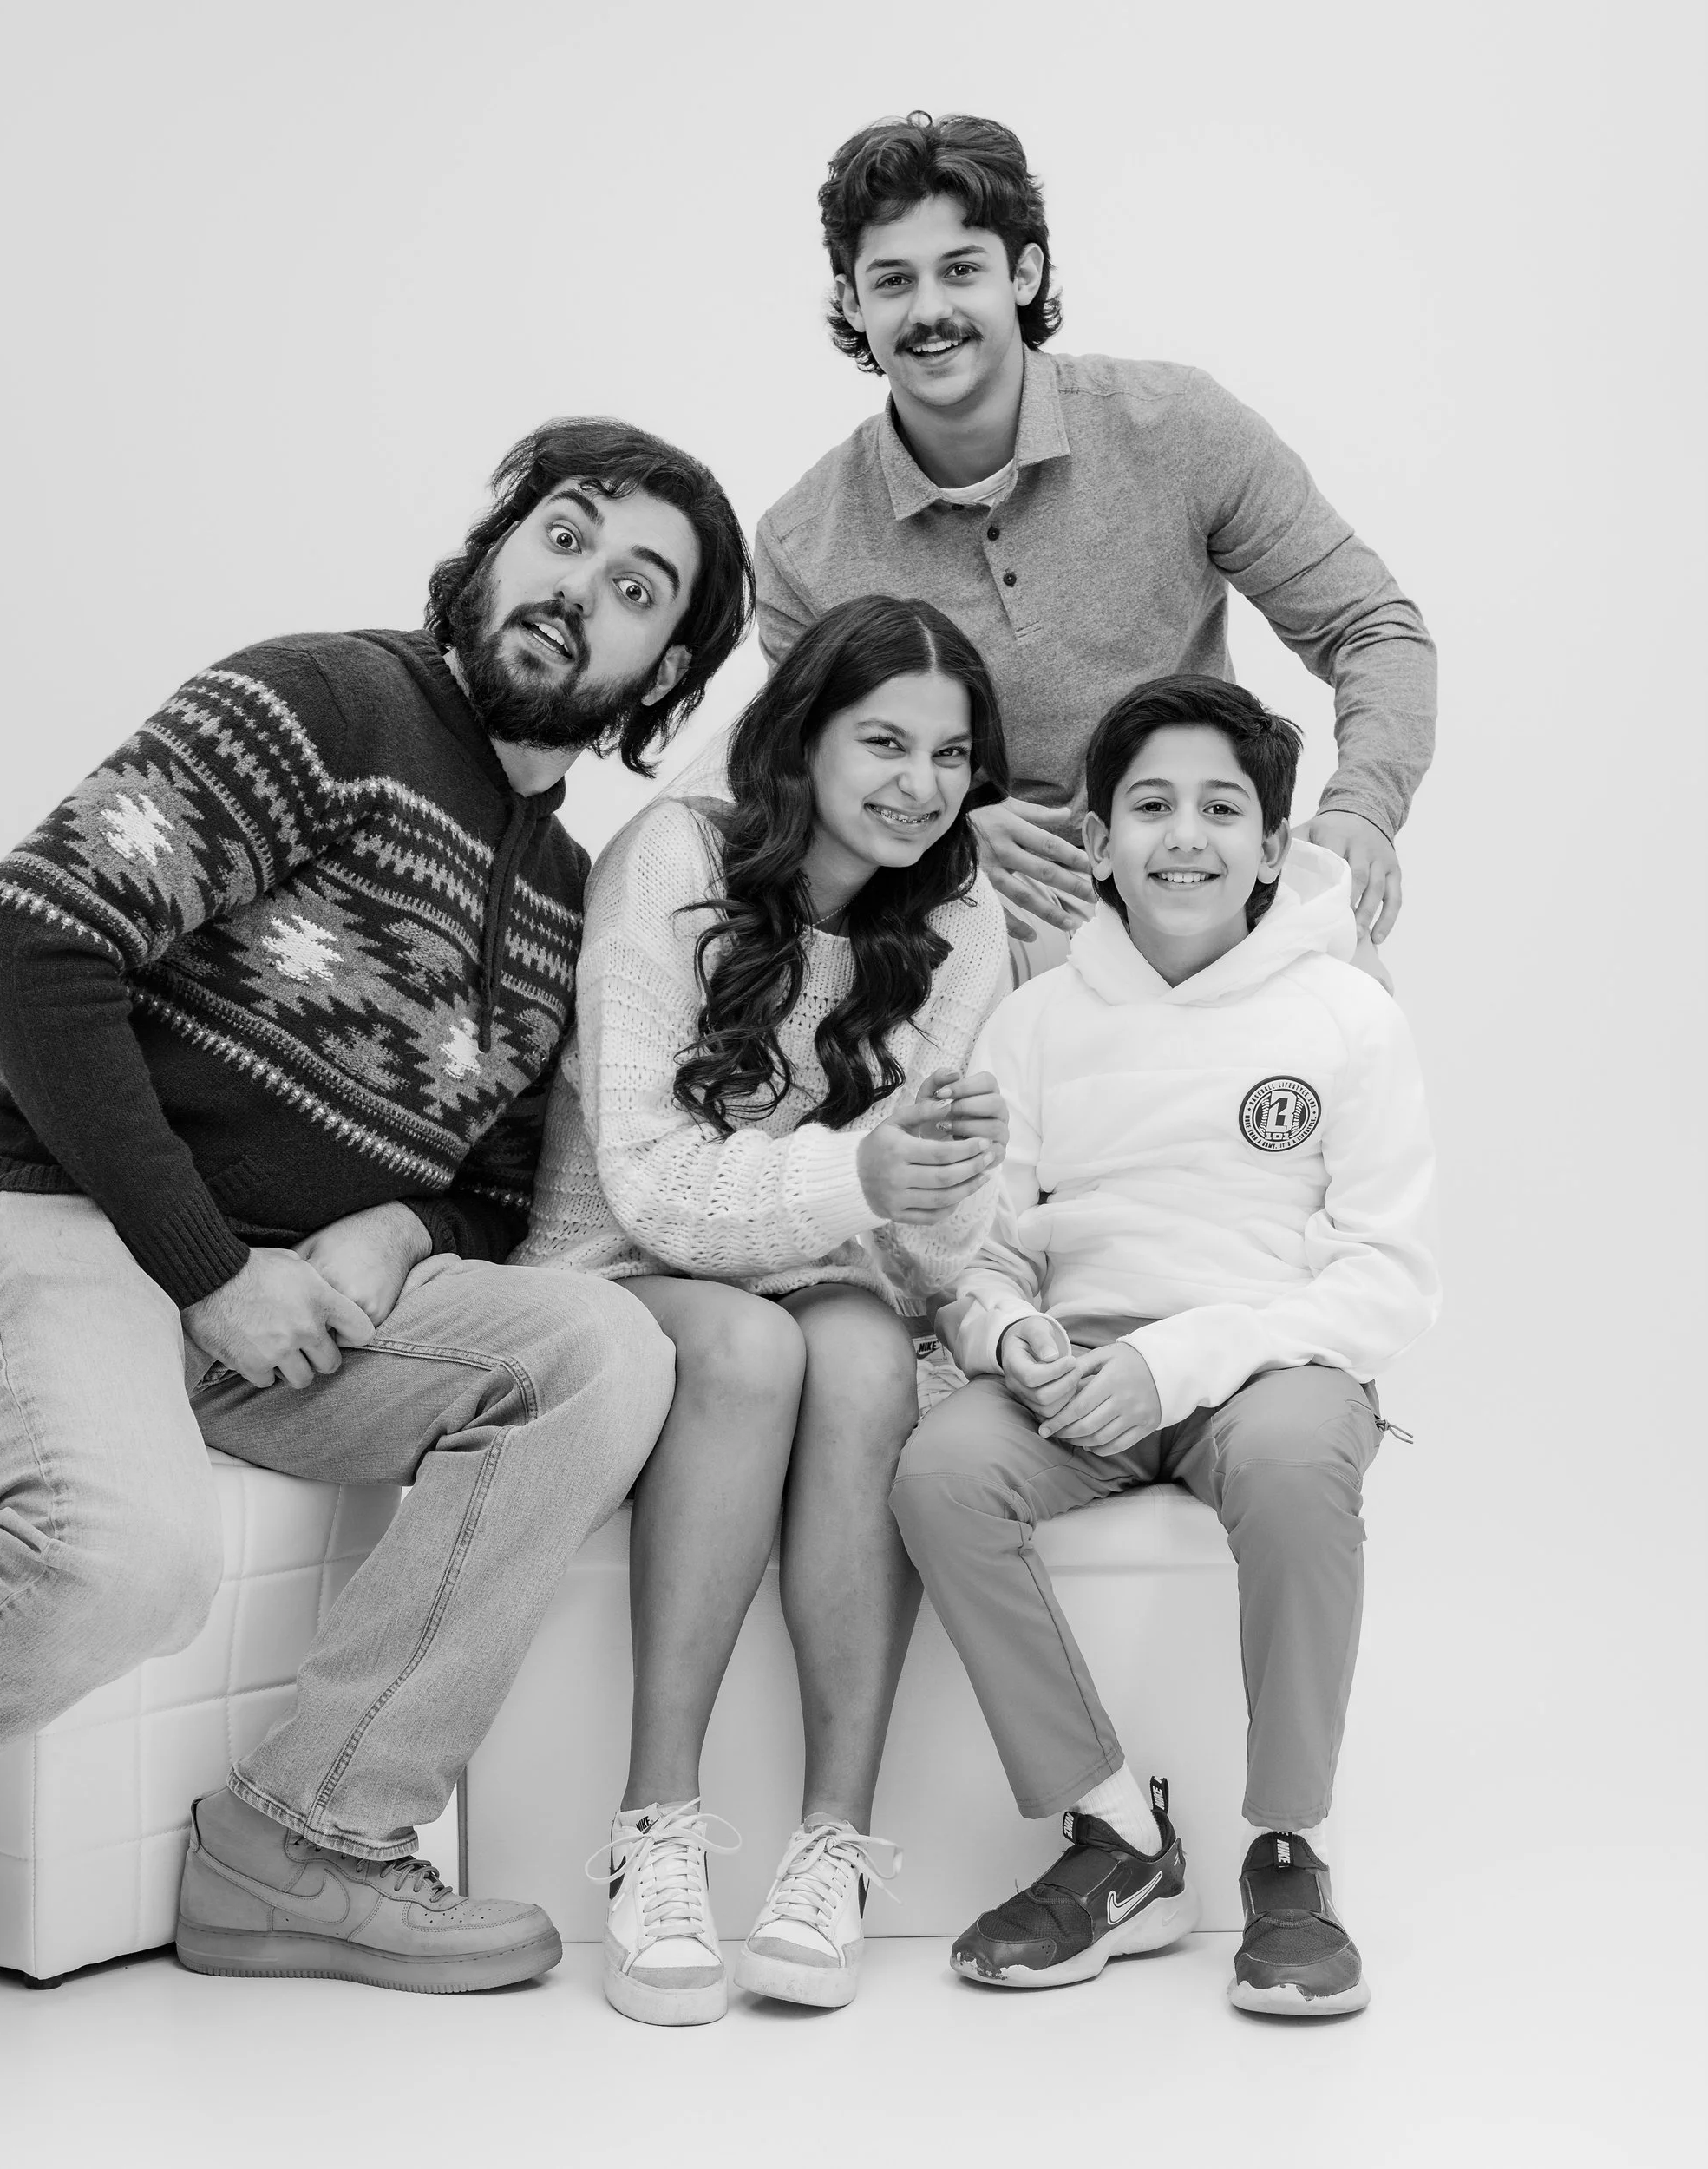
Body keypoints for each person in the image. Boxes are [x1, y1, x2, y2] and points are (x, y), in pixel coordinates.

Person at [0, 416, 753, 2029]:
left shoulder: (569, 890)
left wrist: (386, 1237)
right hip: (44, 1218)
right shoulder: (329, 701)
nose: (580, 589)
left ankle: (304, 1838)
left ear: (663, 679)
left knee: (600, 1350)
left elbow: (497, 1188)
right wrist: (210, 1272)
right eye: (564, 536)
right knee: (128, 1561)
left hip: (286, 1306)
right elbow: (26, 944)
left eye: (638, 587)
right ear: (496, 544)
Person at [893, 674, 1439, 2017]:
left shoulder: (1346, 1016)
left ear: (1269, 846)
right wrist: (1007, 1330)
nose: (1183, 835)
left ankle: (1289, 1854)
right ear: (1096, 843)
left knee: (1305, 1457)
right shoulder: (1035, 1022)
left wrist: (1181, 1361)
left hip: (1267, 1370)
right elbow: (987, 1240)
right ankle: (1118, 1841)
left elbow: (1389, 1279)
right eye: (1149, 806)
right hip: (1076, 1374)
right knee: (940, 1477)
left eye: (1220, 808)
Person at [517, 593, 1014, 2023]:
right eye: (885, 742)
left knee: (865, 1364)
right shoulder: (675, 858)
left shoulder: (964, 913)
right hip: (617, 1257)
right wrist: (864, 1169)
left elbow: (922, 1259)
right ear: (803, 739)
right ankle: (654, 1826)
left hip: (826, 1263)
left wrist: (951, 1180)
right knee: (746, 1349)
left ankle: (830, 1848)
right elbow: (648, 1185)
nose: (921, 785)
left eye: (951, 753)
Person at [756, 112, 1436, 985]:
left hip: (1199, 872)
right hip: (976, 920)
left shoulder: (1175, 425)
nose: (929, 311)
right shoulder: (800, 545)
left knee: (1349, 999)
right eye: (892, 280)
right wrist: (951, 819)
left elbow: (1372, 626)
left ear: (1024, 271)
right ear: (852, 301)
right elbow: (803, 780)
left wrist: (1363, 809)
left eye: (960, 270)